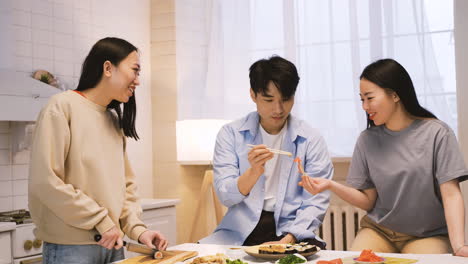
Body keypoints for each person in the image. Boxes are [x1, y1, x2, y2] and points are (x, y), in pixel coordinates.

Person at [300, 58, 468, 256]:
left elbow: (451, 194)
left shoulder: (437, 133)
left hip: (426, 235)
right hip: (378, 231)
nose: (364, 106)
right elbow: (367, 201)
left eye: (369, 98)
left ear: (395, 95)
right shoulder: (367, 140)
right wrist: (330, 185)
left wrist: (459, 245)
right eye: (361, 99)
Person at [28, 37, 168, 264]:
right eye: (135, 70)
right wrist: (102, 221)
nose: (138, 81)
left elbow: (125, 187)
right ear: (107, 68)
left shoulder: (112, 119)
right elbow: (45, 181)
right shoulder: (61, 107)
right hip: (71, 249)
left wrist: (138, 230)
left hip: (113, 245)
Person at [199, 55, 334, 247]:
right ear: (253, 95)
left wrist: (289, 239)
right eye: (268, 99)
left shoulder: (311, 139)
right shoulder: (231, 134)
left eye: (285, 99)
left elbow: (316, 201)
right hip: (240, 229)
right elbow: (225, 196)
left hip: (292, 229)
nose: (278, 109)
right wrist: (253, 172)